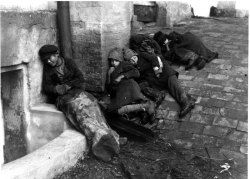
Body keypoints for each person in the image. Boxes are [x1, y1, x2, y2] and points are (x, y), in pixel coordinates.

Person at [38, 44, 120, 162]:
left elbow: (80, 78)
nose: (49, 61)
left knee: (92, 103)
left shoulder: (69, 63)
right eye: (46, 60)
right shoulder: (48, 69)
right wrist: (57, 89)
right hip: (63, 99)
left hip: (76, 91)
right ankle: (98, 139)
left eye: (50, 57)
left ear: (57, 54)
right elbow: (46, 87)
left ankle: (109, 134)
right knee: (79, 109)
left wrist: (70, 86)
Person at [123, 48, 196, 118]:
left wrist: (156, 70)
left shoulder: (142, 55)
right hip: (156, 80)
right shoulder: (136, 67)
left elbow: (154, 58)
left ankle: (185, 101)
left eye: (133, 58)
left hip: (161, 70)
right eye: (131, 60)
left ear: (135, 55)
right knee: (170, 88)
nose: (133, 60)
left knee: (171, 81)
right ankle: (189, 100)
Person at [106, 47, 156, 125]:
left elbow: (136, 73)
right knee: (113, 111)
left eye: (116, 60)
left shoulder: (123, 64)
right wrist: (109, 76)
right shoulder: (111, 71)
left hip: (130, 87)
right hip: (121, 91)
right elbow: (110, 89)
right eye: (111, 61)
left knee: (133, 102)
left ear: (120, 60)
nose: (113, 63)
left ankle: (148, 110)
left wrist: (122, 76)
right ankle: (146, 107)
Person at [153, 31, 219, 70]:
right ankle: (199, 60)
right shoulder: (171, 37)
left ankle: (196, 58)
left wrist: (167, 46)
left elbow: (169, 53)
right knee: (175, 51)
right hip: (193, 41)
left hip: (192, 44)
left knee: (176, 51)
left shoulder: (172, 39)